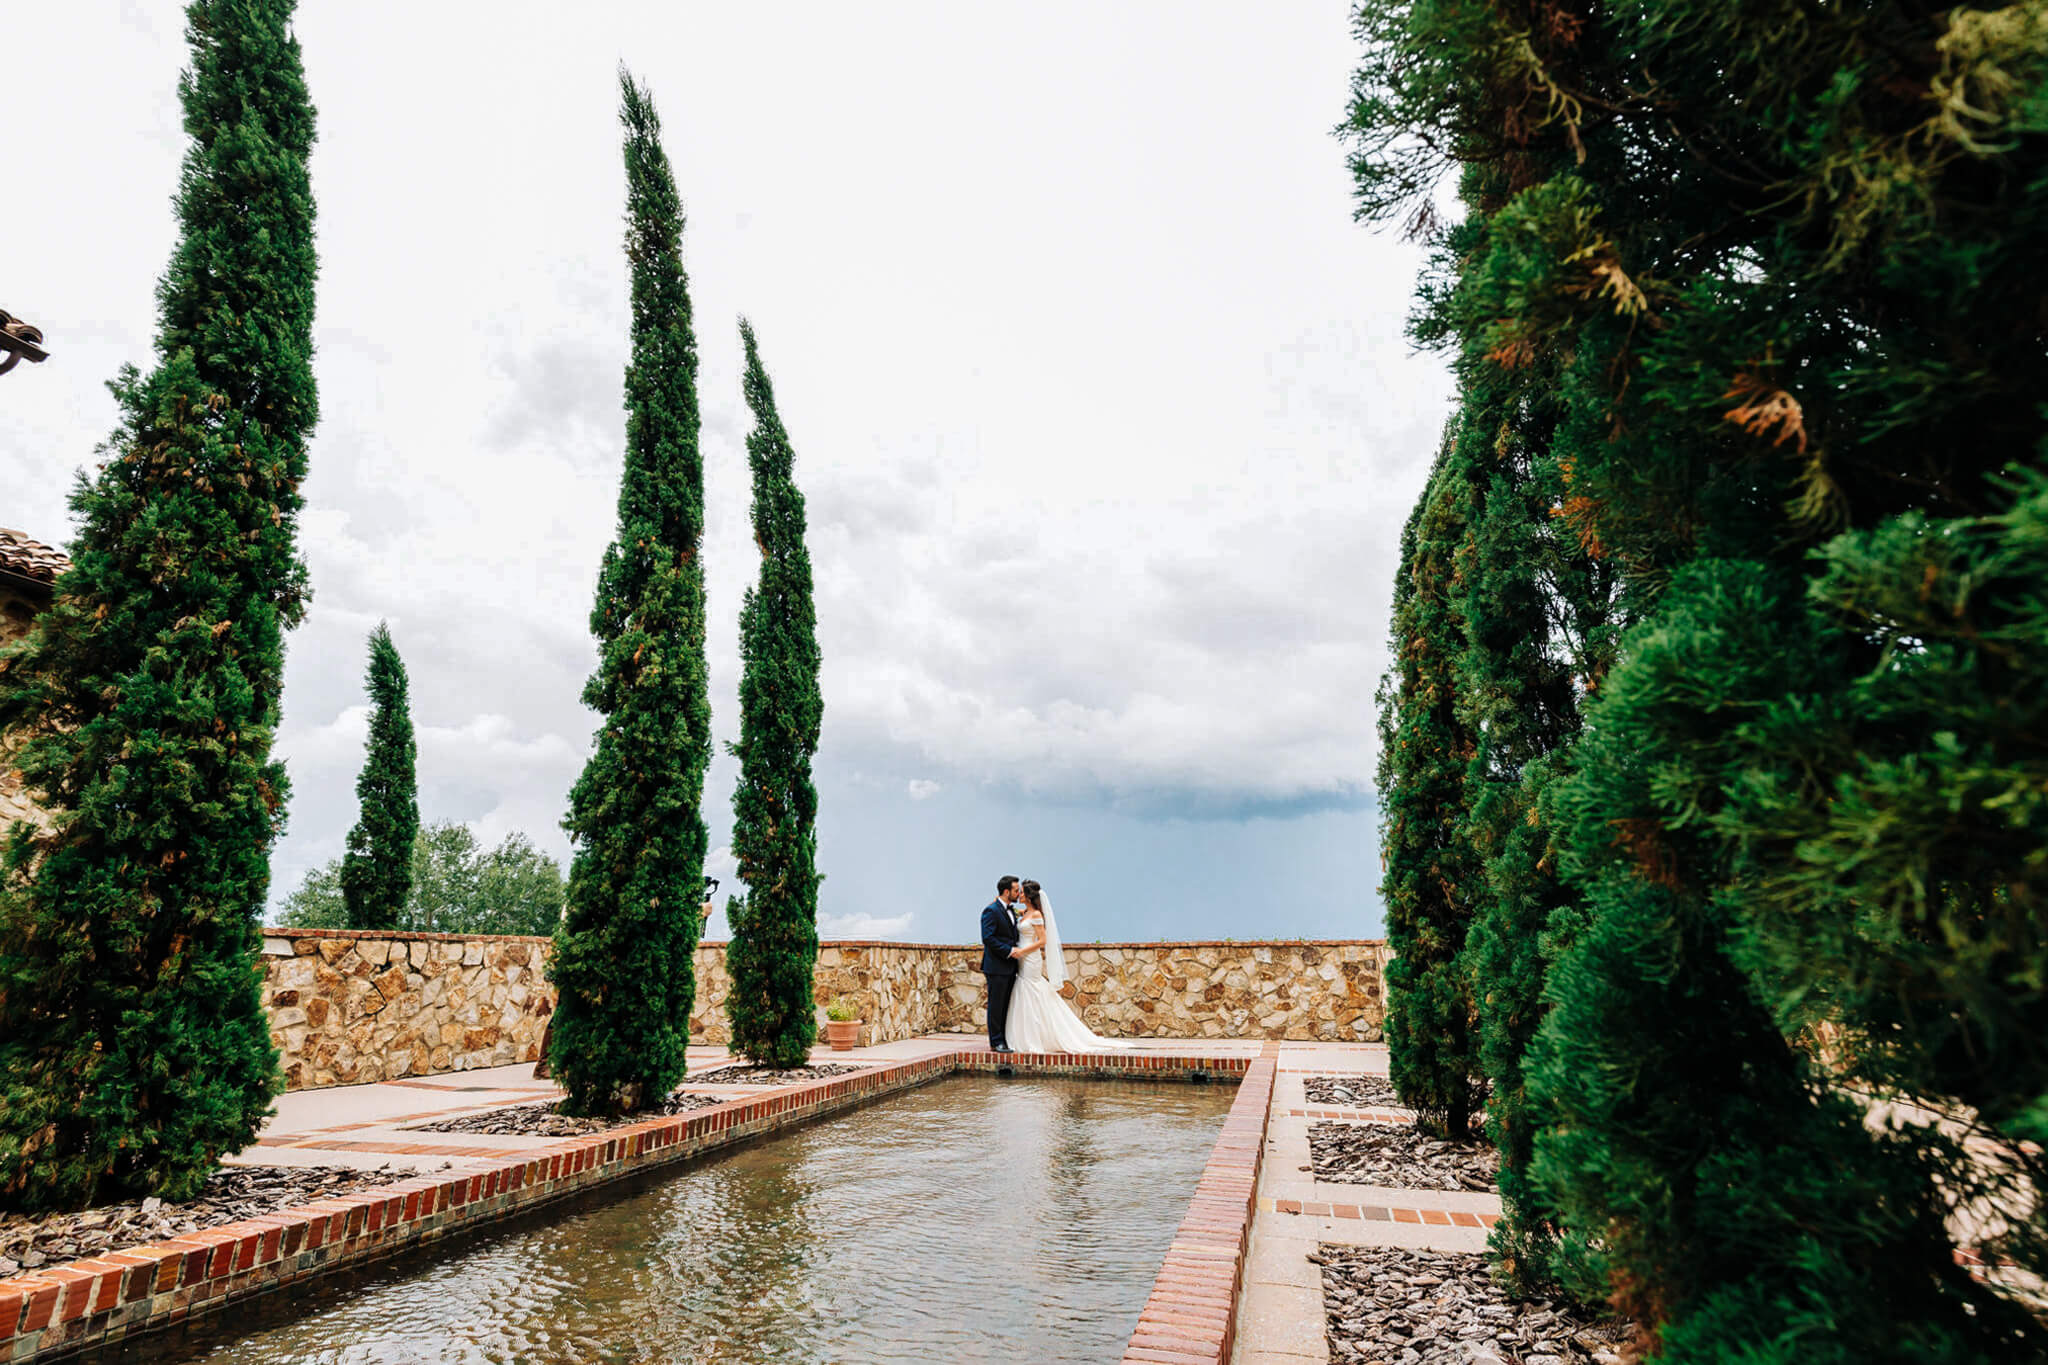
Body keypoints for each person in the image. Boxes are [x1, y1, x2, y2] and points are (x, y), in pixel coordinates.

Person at [1002, 879, 1130, 1053]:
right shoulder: (1024, 913)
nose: (1020, 894)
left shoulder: (1037, 915)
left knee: (1031, 990)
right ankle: (1026, 1034)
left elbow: (1043, 940)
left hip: (1030, 958)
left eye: (1023, 892)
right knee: (1025, 990)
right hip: (1022, 958)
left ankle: (1037, 1036)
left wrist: (1022, 952)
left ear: (1030, 896)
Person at [978, 875, 1030, 1053]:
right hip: (996, 966)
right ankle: (996, 1041)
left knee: (1007, 1004)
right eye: (1016, 890)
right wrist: (1009, 950)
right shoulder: (990, 911)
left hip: (1010, 967)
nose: (1018, 893)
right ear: (1007, 891)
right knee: (996, 1005)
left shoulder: (1011, 910)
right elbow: (988, 938)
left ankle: (1005, 1038)